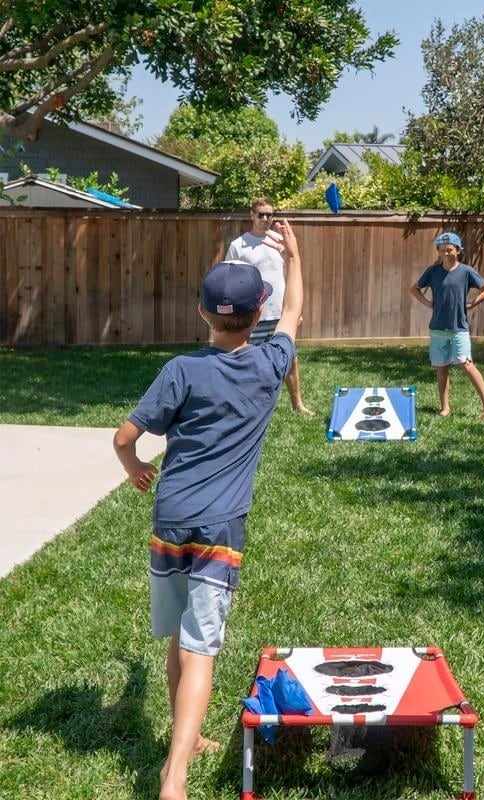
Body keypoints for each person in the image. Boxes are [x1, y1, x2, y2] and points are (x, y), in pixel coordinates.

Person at [112, 219, 303, 800]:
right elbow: (295, 313)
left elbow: (124, 437)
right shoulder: (270, 365)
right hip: (221, 527)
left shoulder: (181, 370)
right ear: (258, 309)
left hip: (169, 518)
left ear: (203, 313)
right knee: (199, 651)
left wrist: (135, 470)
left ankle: (185, 737)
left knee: (177, 638)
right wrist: (294, 256)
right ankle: (175, 776)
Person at [226, 197, 314, 415]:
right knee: (249, 360)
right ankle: (250, 407)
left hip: (281, 313)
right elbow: (230, 279)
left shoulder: (280, 242)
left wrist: (296, 311)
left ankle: (297, 404)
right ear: (252, 215)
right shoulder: (238, 246)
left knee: (290, 358)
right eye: (261, 214)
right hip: (254, 314)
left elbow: (290, 273)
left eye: (269, 214)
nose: (265, 219)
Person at [410, 231, 484, 418]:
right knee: (441, 368)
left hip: (459, 328)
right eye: (441, 251)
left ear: (458, 250)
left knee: (466, 365)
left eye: (449, 250)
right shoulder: (432, 272)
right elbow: (414, 288)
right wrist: (427, 303)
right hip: (438, 328)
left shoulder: (466, 272)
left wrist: (473, 303)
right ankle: (445, 407)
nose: (445, 254)